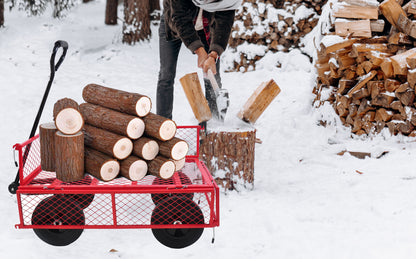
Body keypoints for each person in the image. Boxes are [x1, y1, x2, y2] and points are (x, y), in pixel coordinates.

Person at [156, 0, 241, 121]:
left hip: (205, 28)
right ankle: (163, 124)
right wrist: (199, 51)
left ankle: (213, 126)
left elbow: (224, 23)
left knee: (212, 75)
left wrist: (213, 55)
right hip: (174, 24)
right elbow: (180, 19)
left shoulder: (228, 1)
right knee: (166, 75)